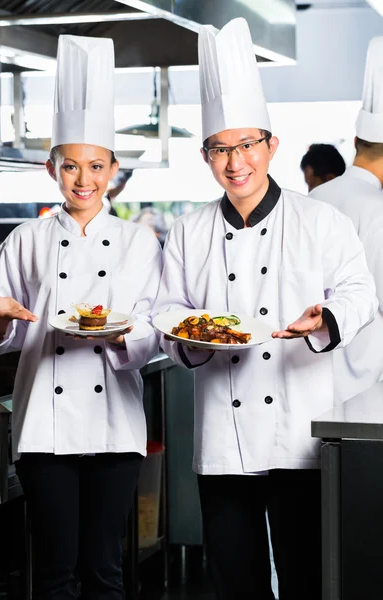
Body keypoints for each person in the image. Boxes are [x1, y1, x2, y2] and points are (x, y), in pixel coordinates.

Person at [153, 18, 377, 600]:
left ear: (271, 146)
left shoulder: (321, 221)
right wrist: (191, 339)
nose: (235, 162)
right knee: (235, 583)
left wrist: (324, 320)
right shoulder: (188, 231)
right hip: (222, 443)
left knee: (306, 578)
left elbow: (360, 295)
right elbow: (169, 308)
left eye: (247, 145)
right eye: (220, 149)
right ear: (206, 156)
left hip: (299, 433)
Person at [0, 35, 162, 600]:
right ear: (51, 167)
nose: (83, 180)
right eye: (70, 167)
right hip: (44, 428)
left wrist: (119, 335)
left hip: (115, 424)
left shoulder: (139, 242)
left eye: (95, 166)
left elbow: (153, 331)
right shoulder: (26, 238)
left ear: (113, 169)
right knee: (55, 574)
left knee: (106, 572)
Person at [310, 37, 383, 403]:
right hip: (365, 380)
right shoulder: (378, 207)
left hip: (310, 370)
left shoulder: (314, 198)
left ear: (355, 141)